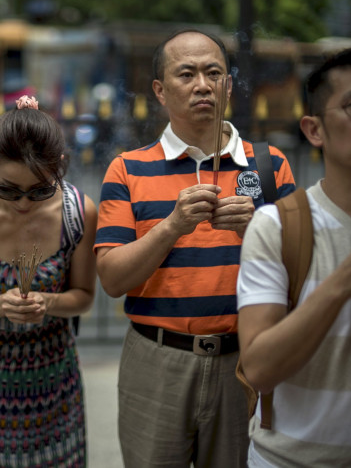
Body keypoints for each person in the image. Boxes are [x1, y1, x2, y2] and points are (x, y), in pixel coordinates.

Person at [94, 28, 296, 467]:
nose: (203, 84)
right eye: (186, 74)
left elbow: (301, 274)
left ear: (228, 83)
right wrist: (172, 225)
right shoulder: (128, 169)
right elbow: (111, 279)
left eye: (214, 73)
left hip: (243, 359)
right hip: (156, 360)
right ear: (160, 91)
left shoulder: (269, 166)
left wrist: (257, 231)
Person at [237, 48, 351, 466]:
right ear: (314, 130)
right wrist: (338, 288)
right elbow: (259, 369)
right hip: (289, 461)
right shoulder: (278, 227)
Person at [0, 95, 97, 466]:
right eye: (8, 189)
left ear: (58, 168)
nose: (24, 204)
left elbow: (85, 295)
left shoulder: (78, 213)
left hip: (53, 385)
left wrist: (50, 303)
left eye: (41, 190)